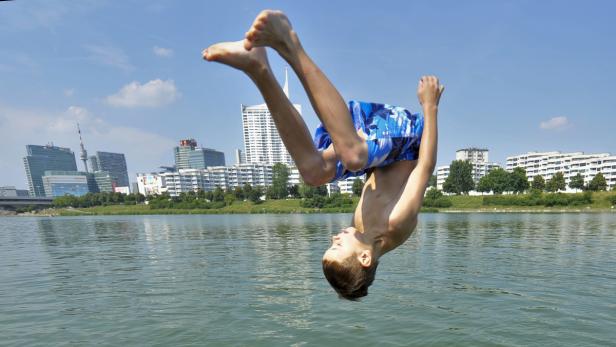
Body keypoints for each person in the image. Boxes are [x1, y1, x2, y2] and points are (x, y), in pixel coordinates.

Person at [202, 10, 444, 300]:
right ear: (365, 258)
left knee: (313, 173)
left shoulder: (362, 231)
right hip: (409, 140)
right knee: (353, 156)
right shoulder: (395, 223)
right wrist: (430, 107)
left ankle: (258, 68)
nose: (334, 237)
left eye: (331, 243)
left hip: (379, 155)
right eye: (337, 246)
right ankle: (289, 42)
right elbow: (425, 168)